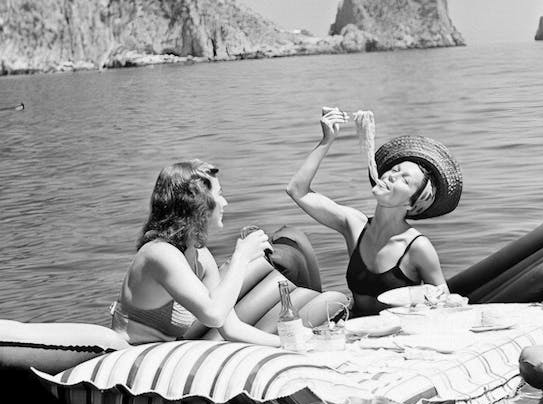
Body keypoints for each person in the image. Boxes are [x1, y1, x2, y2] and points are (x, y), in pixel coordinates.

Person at [286, 108, 462, 317]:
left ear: (412, 205)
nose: (391, 176)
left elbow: (445, 304)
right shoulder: (354, 224)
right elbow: (297, 190)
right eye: (394, 170)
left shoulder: (417, 247)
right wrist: (327, 140)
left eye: (405, 180)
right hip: (355, 332)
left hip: (400, 338)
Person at [110, 160, 281, 347]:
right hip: (128, 357)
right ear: (199, 203)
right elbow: (213, 316)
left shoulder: (201, 256)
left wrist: (288, 342)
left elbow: (230, 328)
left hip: (164, 353)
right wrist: (241, 257)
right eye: (219, 195)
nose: (225, 202)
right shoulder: (160, 253)